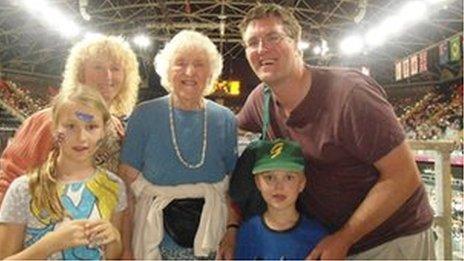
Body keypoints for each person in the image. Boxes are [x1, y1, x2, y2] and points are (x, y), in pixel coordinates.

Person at [218, 4, 434, 260]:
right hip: (329, 241)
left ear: (297, 42)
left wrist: (344, 238)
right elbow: (221, 129)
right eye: (252, 42)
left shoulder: (350, 95)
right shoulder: (261, 100)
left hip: (390, 239)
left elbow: (403, 177)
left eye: (273, 37)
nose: (262, 49)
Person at [0, 35, 140, 258]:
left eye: (116, 68)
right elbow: (8, 182)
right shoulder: (44, 122)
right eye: (98, 67)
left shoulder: (119, 129)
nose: (108, 76)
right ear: (80, 72)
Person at [119, 30, 237, 260]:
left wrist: (232, 233)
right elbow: (127, 185)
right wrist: (127, 247)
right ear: (166, 70)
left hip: (212, 232)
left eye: (199, 64)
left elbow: (231, 187)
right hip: (157, 235)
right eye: (180, 63)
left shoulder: (225, 119)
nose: (190, 72)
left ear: (211, 73)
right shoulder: (144, 115)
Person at [0, 86, 126, 259]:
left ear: (103, 131)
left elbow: (112, 256)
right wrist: (51, 244)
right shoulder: (24, 189)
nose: (81, 137)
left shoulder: (115, 187)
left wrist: (114, 239)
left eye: (91, 127)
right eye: (70, 126)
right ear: (54, 129)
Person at [234, 138, 327, 260]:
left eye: (288, 177)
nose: (279, 187)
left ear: (302, 183)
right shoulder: (248, 232)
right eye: (269, 177)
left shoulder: (317, 236)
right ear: (257, 182)